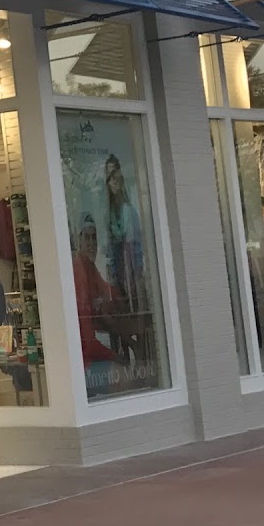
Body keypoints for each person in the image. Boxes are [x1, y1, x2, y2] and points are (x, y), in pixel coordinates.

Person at [102, 154, 148, 374]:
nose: (114, 180)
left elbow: (133, 247)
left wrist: (135, 276)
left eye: (116, 174)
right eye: (109, 177)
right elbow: (111, 248)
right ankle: (126, 367)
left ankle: (143, 366)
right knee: (116, 320)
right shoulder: (109, 214)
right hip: (118, 274)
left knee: (138, 322)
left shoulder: (128, 210)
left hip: (132, 272)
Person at [72, 215, 119, 384]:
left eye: (94, 237)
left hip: (88, 354)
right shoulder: (79, 272)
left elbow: (107, 290)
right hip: (83, 363)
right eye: (87, 237)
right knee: (125, 376)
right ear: (79, 240)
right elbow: (89, 344)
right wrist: (115, 357)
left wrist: (123, 292)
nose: (92, 243)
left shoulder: (89, 267)